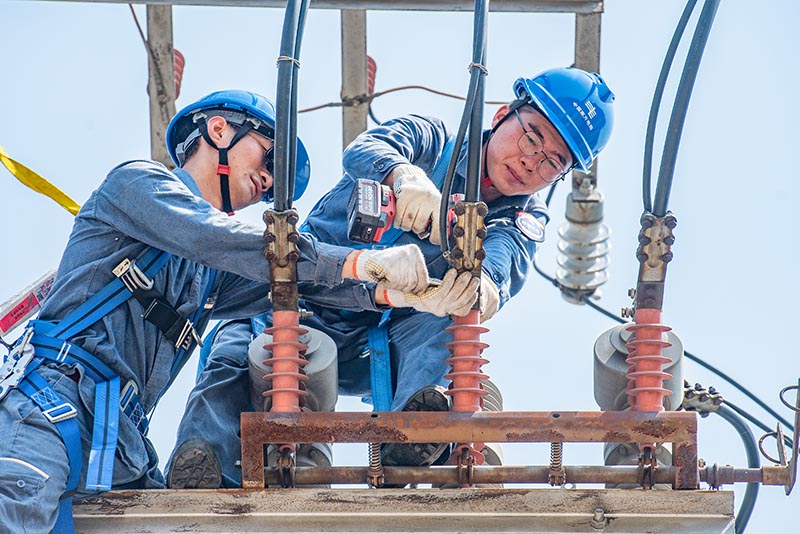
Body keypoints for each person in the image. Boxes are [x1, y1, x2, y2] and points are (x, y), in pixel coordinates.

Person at [0, 89, 460, 532]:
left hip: (118, 443)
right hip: (48, 411)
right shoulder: (138, 185)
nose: (267, 182)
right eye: (267, 158)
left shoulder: (207, 278)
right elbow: (217, 239)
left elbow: (289, 284)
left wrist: (389, 293)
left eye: (273, 183)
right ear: (219, 129)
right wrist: (359, 260)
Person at [167, 67, 615, 489]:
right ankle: (203, 462)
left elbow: (503, 261)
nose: (530, 162)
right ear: (502, 115)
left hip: (390, 337)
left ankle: (415, 438)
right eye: (531, 138)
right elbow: (365, 150)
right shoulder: (432, 141)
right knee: (238, 344)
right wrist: (404, 177)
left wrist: (485, 285)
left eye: (552, 162)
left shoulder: (519, 220)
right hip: (312, 295)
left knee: (449, 325)